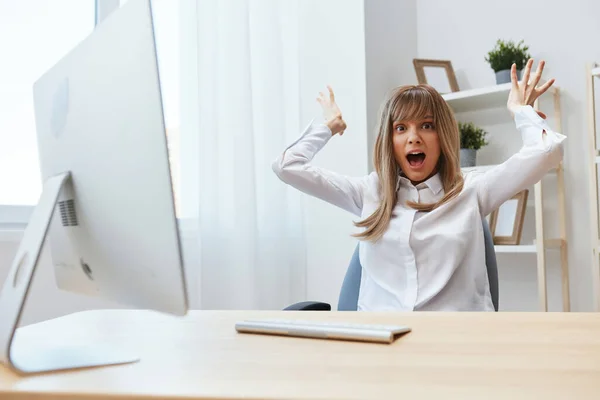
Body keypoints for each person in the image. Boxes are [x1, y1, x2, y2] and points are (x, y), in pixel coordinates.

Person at [271, 59, 565, 311]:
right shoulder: (369, 193)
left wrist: (519, 110)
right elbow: (286, 166)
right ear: (390, 141)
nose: (413, 137)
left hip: (454, 347)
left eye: (426, 125)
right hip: (379, 347)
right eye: (401, 128)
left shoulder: (472, 191)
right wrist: (329, 126)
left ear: (442, 136)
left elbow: (548, 152)